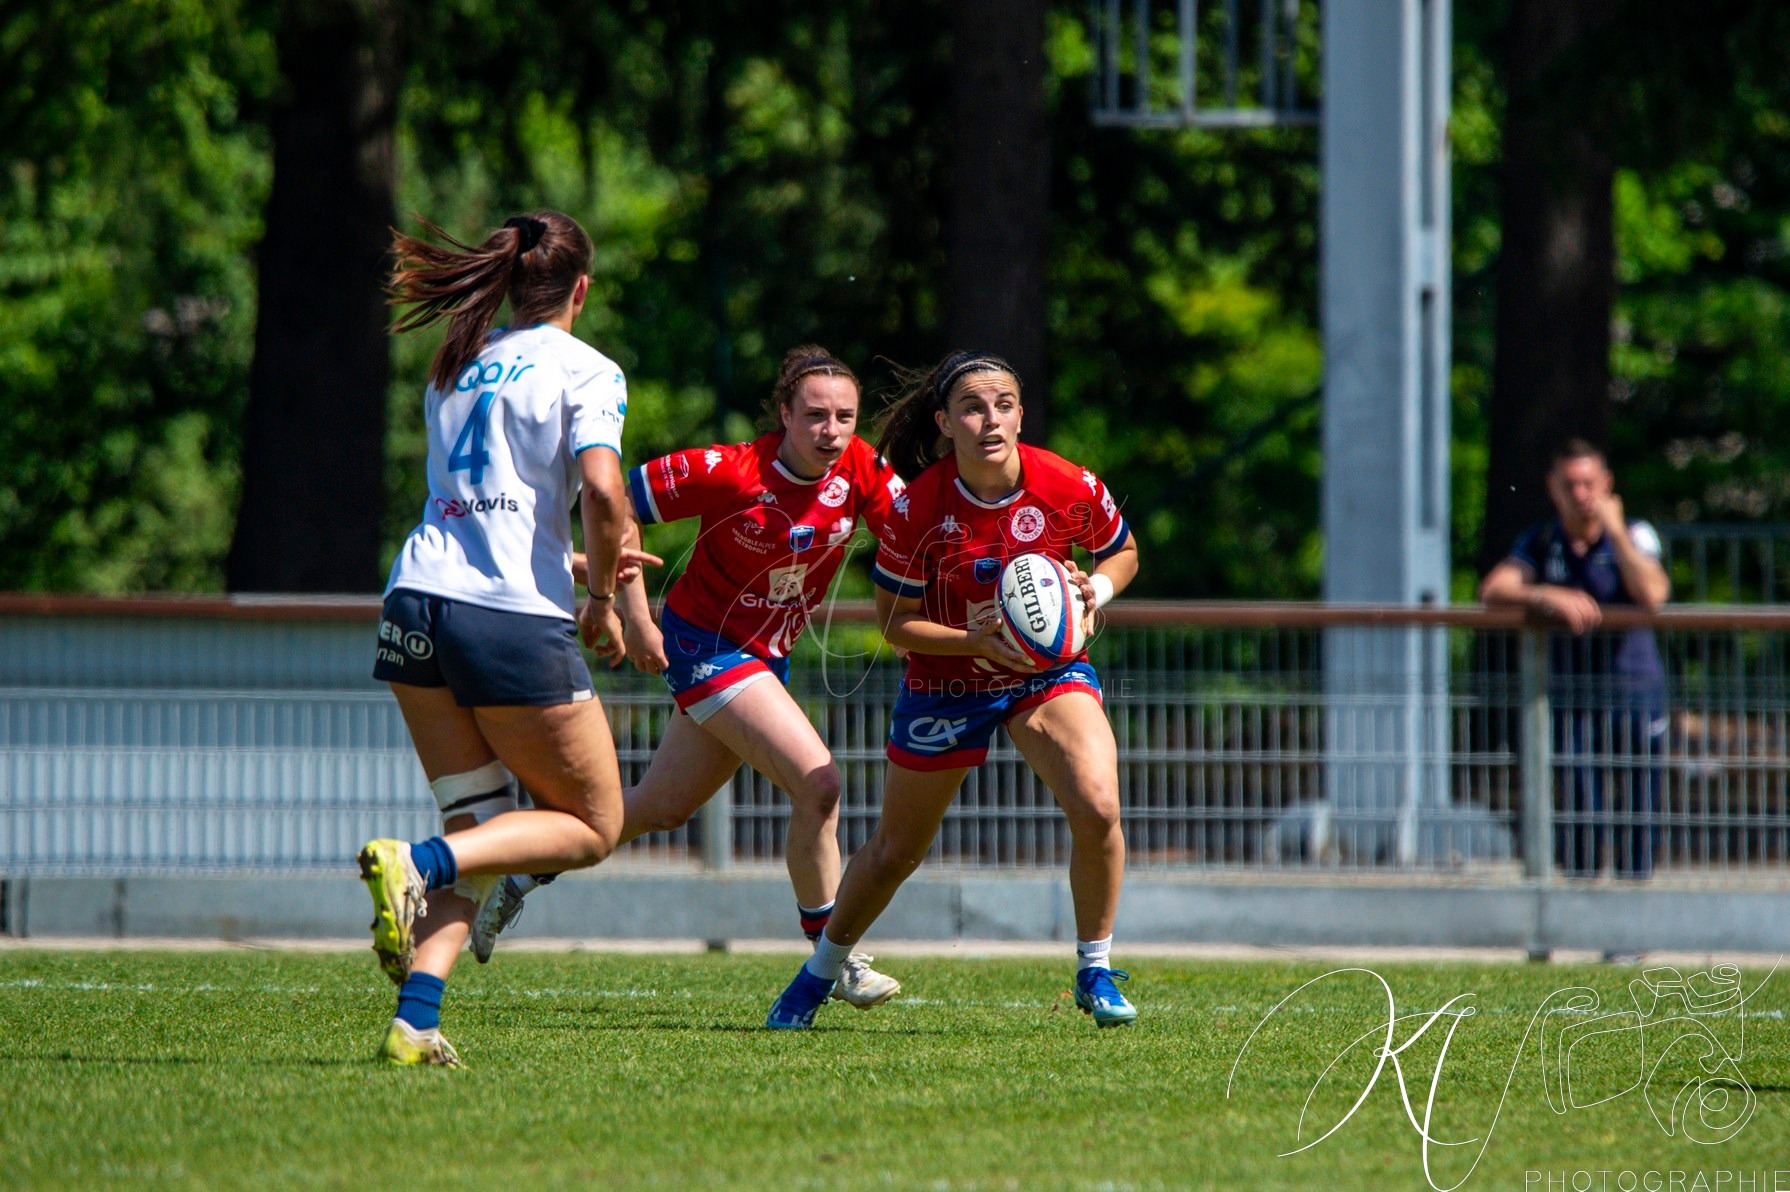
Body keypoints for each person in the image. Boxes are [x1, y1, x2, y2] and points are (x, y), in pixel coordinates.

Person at [468, 346, 904, 1009]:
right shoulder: (730, 471)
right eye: (815, 415)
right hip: (706, 647)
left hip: (764, 660)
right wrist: (631, 613)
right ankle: (834, 957)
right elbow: (614, 502)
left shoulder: (862, 469)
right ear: (783, 414)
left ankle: (525, 865)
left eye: (844, 416)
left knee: (658, 807)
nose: (832, 431)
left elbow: (919, 529)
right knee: (819, 783)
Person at [357, 210, 656, 1067]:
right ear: (581, 290)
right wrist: (601, 595)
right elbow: (603, 493)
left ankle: (415, 1020)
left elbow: (491, 504)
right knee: (594, 824)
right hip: (505, 617)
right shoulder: (589, 369)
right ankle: (412, 860)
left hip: (415, 602)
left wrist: (569, 561)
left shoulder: (455, 366)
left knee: (482, 821)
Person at [764, 350, 1141, 1030]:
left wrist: (1096, 590)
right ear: (945, 422)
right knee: (894, 852)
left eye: (1003, 404)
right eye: (972, 407)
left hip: (1043, 673)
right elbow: (894, 624)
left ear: (1021, 414)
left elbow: (1123, 549)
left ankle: (1096, 969)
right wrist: (972, 641)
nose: (989, 419)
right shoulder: (917, 508)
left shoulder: (1065, 483)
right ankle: (817, 976)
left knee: (1099, 806)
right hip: (946, 683)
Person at [1479, 438, 1671, 881]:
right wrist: (1546, 594)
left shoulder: (1636, 534)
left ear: (1606, 484)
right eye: (1571, 485)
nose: (1581, 494)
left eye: (1589, 483)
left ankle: (1632, 913)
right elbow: (1494, 590)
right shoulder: (1543, 540)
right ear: (1554, 487)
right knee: (1580, 802)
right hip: (1574, 697)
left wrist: (1616, 532)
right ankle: (1582, 906)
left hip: (1634, 691)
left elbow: (1654, 594)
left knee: (1639, 804)